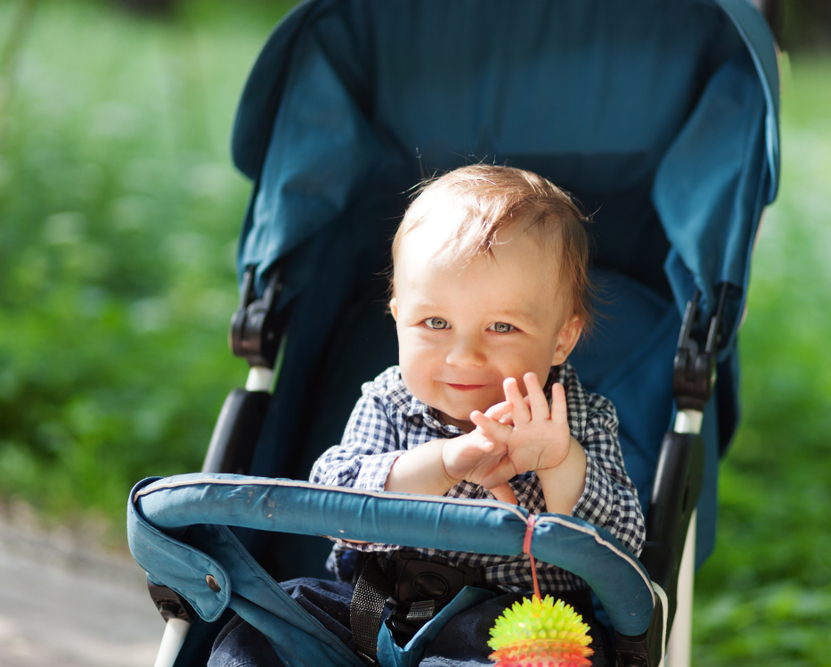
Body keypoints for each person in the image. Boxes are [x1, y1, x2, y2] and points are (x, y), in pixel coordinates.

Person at [209, 165, 645, 666]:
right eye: (435, 322)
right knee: (266, 624)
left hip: (513, 631)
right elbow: (335, 498)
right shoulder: (389, 401)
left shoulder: (576, 421)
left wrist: (559, 463)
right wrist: (444, 462)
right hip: (370, 611)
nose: (463, 355)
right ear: (398, 316)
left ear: (561, 339)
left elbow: (623, 545)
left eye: (501, 327)